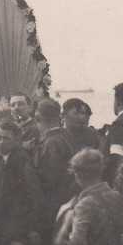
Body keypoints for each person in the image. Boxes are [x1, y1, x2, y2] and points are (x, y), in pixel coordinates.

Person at [0, 120, 44, 245]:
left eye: (6, 138)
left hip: (21, 222)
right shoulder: (5, 158)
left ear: (16, 139)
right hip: (10, 222)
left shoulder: (21, 159)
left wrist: (33, 227)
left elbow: (35, 192)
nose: (1, 142)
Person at [33, 98, 77, 237]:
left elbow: (50, 180)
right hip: (69, 203)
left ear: (37, 115)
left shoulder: (50, 143)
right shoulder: (66, 135)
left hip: (53, 211)